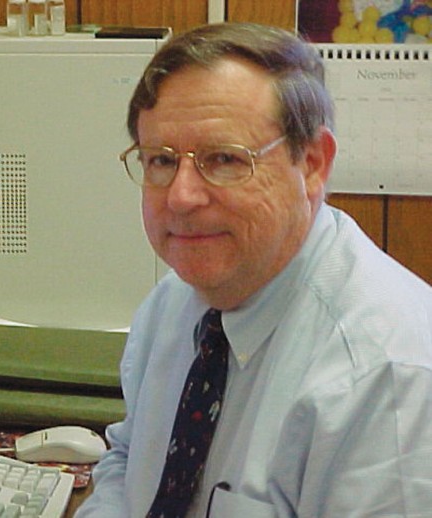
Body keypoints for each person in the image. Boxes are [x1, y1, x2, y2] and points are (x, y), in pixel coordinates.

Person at [75, 22, 432, 517]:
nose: (181, 197)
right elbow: (129, 462)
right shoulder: (174, 303)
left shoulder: (385, 375)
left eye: (224, 159)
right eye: (161, 160)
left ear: (312, 163)